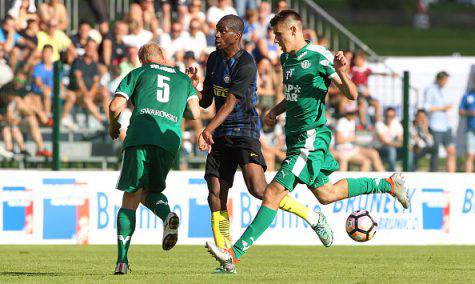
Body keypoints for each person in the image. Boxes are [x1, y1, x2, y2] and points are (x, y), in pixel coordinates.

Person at [204, 10, 410, 272]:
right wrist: (276, 111)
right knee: (327, 194)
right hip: (295, 138)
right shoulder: (287, 59)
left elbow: (352, 94)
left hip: (311, 139)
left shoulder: (320, 57)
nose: (276, 40)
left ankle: (233, 255)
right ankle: (388, 184)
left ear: (293, 30)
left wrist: (342, 73)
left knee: (272, 193)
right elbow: (296, 96)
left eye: (278, 35)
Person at [189, 14, 328, 273]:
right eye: (216, 31)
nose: (216, 35)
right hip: (220, 134)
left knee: (258, 188)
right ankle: (227, 257)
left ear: (236, 35)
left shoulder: (247, 63)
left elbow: (231, 102)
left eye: (222, 31)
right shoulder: (214, 59)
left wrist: (207, 128)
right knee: (215, 194)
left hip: (244, 132)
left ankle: (311, 215)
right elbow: (207, 100)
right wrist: (193, 86)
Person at [108, 42, 201, 274]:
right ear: (164, 57)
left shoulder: (139, 73)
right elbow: (195, 113)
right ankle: (167, 215)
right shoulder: (182, 79)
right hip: (169, 142)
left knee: (131, 196)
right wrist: (191, 86)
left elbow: (115, 105)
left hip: (140, 135)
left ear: (142, 60)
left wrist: (113, 125)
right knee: (149, 191)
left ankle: (122, 261)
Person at [423, 71, 456, 172]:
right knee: (435, 152)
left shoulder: (445, 91)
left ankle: (451, 176)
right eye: (445, 80)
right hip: (435, 125)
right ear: (439, 79)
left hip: (446, 126)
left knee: (451, 151)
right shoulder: (431, 90)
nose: (446, 82)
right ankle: (434, 174)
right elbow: (427, 107)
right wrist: (442, 108)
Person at [375, 107, 403, 171]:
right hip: (379, 148)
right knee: (391, 150)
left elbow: (400, 138)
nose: (389, 118)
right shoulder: (379, 124)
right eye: (387, 116)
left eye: (392, 116)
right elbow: (384, 141)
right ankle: (392, 172)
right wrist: (398, 144)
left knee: (408, 150)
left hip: (394, 147)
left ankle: (410, 171)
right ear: (384, 115)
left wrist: (399, 143)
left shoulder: (396, 124)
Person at [459, 79, 475, 172]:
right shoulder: (467, 96)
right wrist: (470, 112)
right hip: (471, 130)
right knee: (470, 155)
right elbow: (460, 111)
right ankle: (468, 180)